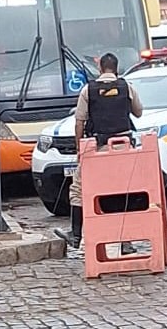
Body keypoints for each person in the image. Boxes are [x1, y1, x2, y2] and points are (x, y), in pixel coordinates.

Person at [54, 53, 143, 254]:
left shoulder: (88, 90)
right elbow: (139, 112)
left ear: (101, 69)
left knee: (77, 189)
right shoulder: (127, 87)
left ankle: (76, 236)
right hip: (123, 149)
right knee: (123, 190)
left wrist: (79, 150)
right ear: (116, 69)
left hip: (98, 148)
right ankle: (126, 241)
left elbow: (79, 122)